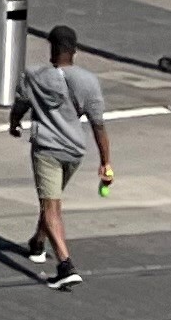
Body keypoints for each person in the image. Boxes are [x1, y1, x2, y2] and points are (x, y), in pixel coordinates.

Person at [11, 20, 113, 289]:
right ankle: (37, 243)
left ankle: (65, 265)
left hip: (46, 149)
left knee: (50, 206)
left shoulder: (33, 75)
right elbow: (98, 125)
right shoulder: (89, 81)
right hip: (74, 151)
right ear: (75, 50)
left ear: (51, 47)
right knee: (51, 201)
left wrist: (14, 123)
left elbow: (20, 104)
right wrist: (106, 162)